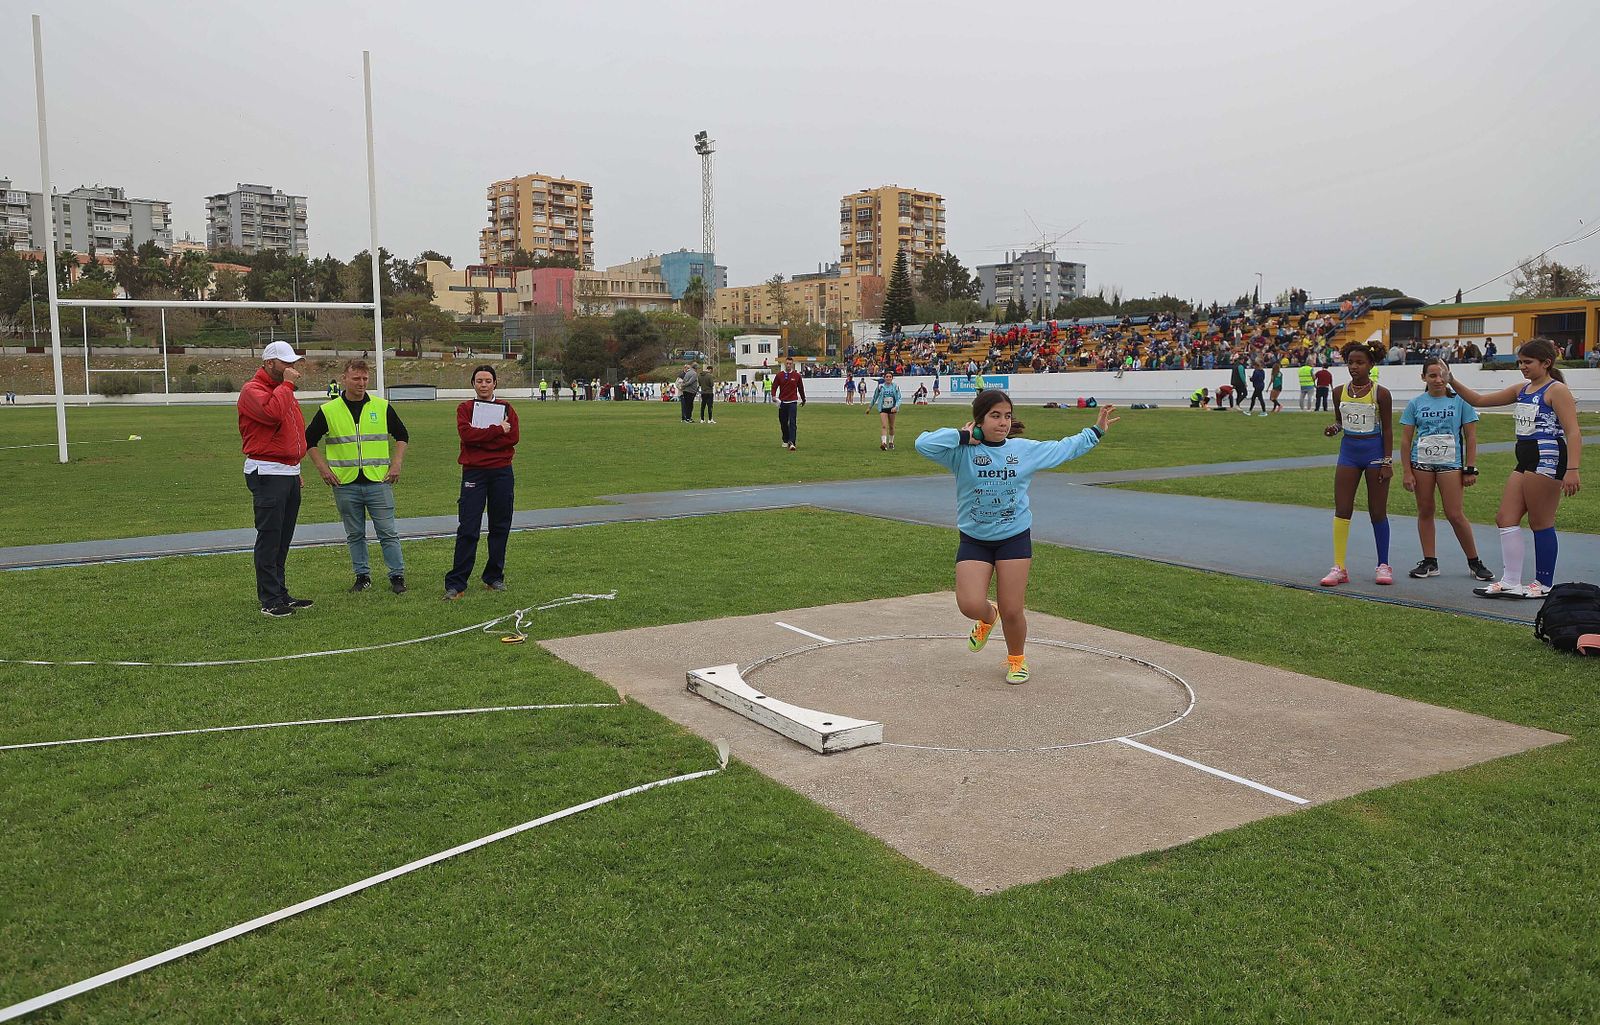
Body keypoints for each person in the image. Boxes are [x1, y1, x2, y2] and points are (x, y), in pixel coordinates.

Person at [914, 389, 1118, 684]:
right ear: (979, 420)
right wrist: (963, 436)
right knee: (969, 605)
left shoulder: (1023, 450)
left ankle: (1016, 659)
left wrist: (1096, 430)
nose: (1003, 422)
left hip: (1013, 538)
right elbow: (923, 443)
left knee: (1012, 610)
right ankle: (988, 617)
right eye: (995, 416)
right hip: (975, 539)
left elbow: (1064, 448)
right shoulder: (962, 452)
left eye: (1007, 416)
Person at [1448, 338, 1582, 599]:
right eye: (1520, 362)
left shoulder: (1556, 390)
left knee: (1540, 521)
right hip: (1525, 458)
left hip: (1547, 456)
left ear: (1546, 363)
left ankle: (1543, 584)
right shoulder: (1522, 389)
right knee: (1505, 518)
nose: (1523, 367)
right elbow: (1479, 399)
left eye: (1528, 362)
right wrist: (1451, 380)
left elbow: (1573, 432)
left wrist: (1573, 469)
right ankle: (1510, 581)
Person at [305, 359, 410, 594]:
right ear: (344, 379)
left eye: (365, 378)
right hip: (345, 483)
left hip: (378, 480)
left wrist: (396, 463)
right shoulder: (329, 410)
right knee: (355, 534)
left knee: (387, 532)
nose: (361, 383)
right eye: (356, 378)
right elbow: (308, 440)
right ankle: (362, 576)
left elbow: (402, 435)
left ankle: (397, 576)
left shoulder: (381, 406)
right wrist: (323, 469)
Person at [1400, 358, 1493, 582]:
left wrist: (1470, 468)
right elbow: (1405, 440)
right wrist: (1407, 471)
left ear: (1449, 375)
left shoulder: (1461, 401)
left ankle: (1474, 562)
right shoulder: (1415, 403)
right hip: (1422, 464)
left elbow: (1471, 437)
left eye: (1442, 375)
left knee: (1454, 514)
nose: (1438, 380)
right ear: (1423, 378)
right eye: (1432, 375)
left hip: (1450, 465)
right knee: (1425, 511)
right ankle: (1429, 562)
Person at [237, 340, 312, 618]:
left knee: (283, 537)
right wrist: (288, 385)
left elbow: (292, 431)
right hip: (267, 471)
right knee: (270, 538)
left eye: (293, 363)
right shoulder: (253, 390)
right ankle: (269, 599)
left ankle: (280, 593)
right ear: (269, 363)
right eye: (286, 363)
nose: (292, 368)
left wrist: (295, 466)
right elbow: (273, 414)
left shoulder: (282, 390)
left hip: (286, 471)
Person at [1320, 341, 1395, 587]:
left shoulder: (1381, 394)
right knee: (1342, 509)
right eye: (1350, 362)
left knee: (1377, 511)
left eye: (1360, 362)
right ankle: (1339, 567)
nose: (1354, 367)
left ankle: (1383, 565)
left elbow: (1388, 430)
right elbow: (1340, 421)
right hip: (1349, 454)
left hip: (1374, 453)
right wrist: (1334, 428)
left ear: (1371, 365)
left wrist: (1387, 461)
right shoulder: (1338, 392)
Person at [445, 365, 520, 600]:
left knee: (500, 526)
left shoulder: (506, 408)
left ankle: (494, 577)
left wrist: (482, 437)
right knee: (468, 527)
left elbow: (513, 438)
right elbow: (467, 436)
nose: (484, 384)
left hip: (501, 472)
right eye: (479, 381)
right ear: (473, 384)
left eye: (488, 381)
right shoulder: (465, 408)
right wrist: (497, 430)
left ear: (495, 383)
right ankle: (457, 583)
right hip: (474, 473)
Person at [771, 356, 806, 452]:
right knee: (783, 422)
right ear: (784, 364)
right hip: (782, 402)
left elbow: (801, 388)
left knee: (792, 422)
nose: (788, 365)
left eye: (790, 364)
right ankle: (785, 439)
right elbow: (774, 387)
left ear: (792, 365)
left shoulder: (797, 376)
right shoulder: (779, 375)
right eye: (787, 363)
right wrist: (773, 396)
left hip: (792, 402)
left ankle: (792, 442)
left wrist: (803, 399)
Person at [870, 371, 903, 450]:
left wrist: (896, 406)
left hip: (892, 409)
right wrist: (870, 407)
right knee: (884, 426)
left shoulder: (895, 387)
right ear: (884, 378)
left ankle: (891, 442)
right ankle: (884, 443)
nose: (888, 378)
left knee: (891, 426)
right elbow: (875, 397)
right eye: (887, 377)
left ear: (892, 378)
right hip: (883, 408)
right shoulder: (880, 387)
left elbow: (899, 398)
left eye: (890, 377)